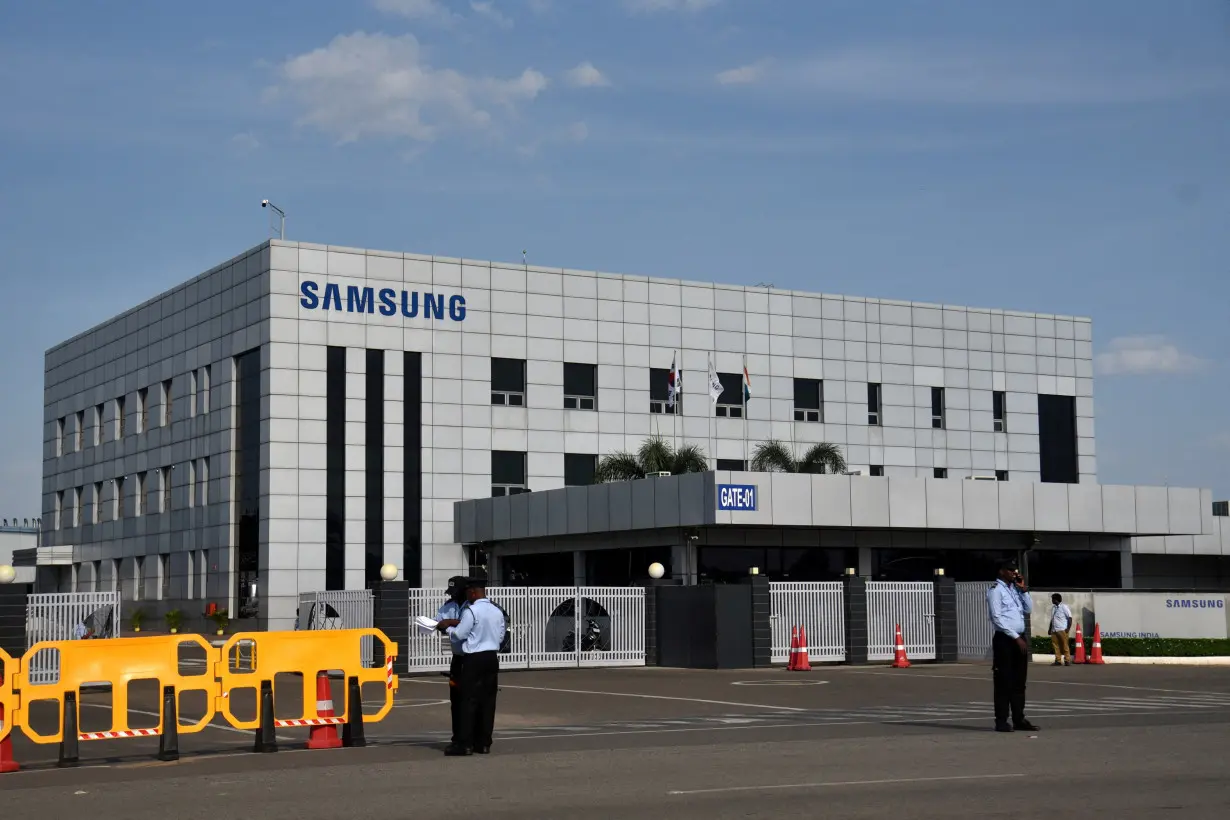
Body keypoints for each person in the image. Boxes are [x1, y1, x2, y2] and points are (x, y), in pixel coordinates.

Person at [436, 579, 505, 756]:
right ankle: (483, 743)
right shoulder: (497, 611)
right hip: (491, 658)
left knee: (467, 700)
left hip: (473, 658)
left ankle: (464, 744)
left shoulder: (471, 611)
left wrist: (447, 628)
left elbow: (459, 634)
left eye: (468, 592)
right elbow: (501, 635)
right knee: (488, 701)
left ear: (473, 592)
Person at [986, 560, 1039, 733]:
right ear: (1001, 571)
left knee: (1019, 682)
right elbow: (997, 617)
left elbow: (1029, 609)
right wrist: (1016, 637)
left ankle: (1019, 719)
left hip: (1019, 639)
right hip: (1006, 640)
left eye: (1015, 570)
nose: (1014, 573)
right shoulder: (996, 591)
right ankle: (1001, 721)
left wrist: (1024, 590)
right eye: (1010, 570)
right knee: (1003, 682)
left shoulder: (1015, 590)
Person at [436, 575, 470, 747]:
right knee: (456, 700)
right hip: (457, 657)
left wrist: (450, 623)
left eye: (455, 591)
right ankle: (458, 737)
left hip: (472, 657)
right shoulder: (448, 606)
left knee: (471, 699)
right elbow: (439, 621)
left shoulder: (472, 606)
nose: (452, 595)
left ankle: (470, 737)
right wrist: (441, 625)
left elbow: (469, 624)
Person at [1049, 593, 1073, 666]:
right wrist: (1050, 629)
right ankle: (1058, 660)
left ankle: (1067, 660)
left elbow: (1070, 618)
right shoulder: (1053, 608)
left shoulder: (1064, 607)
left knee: (1064, 645)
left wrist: (1068, 628)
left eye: (1052, 599)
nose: (1052, 600)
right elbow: (1052, 619)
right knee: (1056, 646)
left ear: (1056, 599)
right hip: (1054, 630)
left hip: (1062, 629)